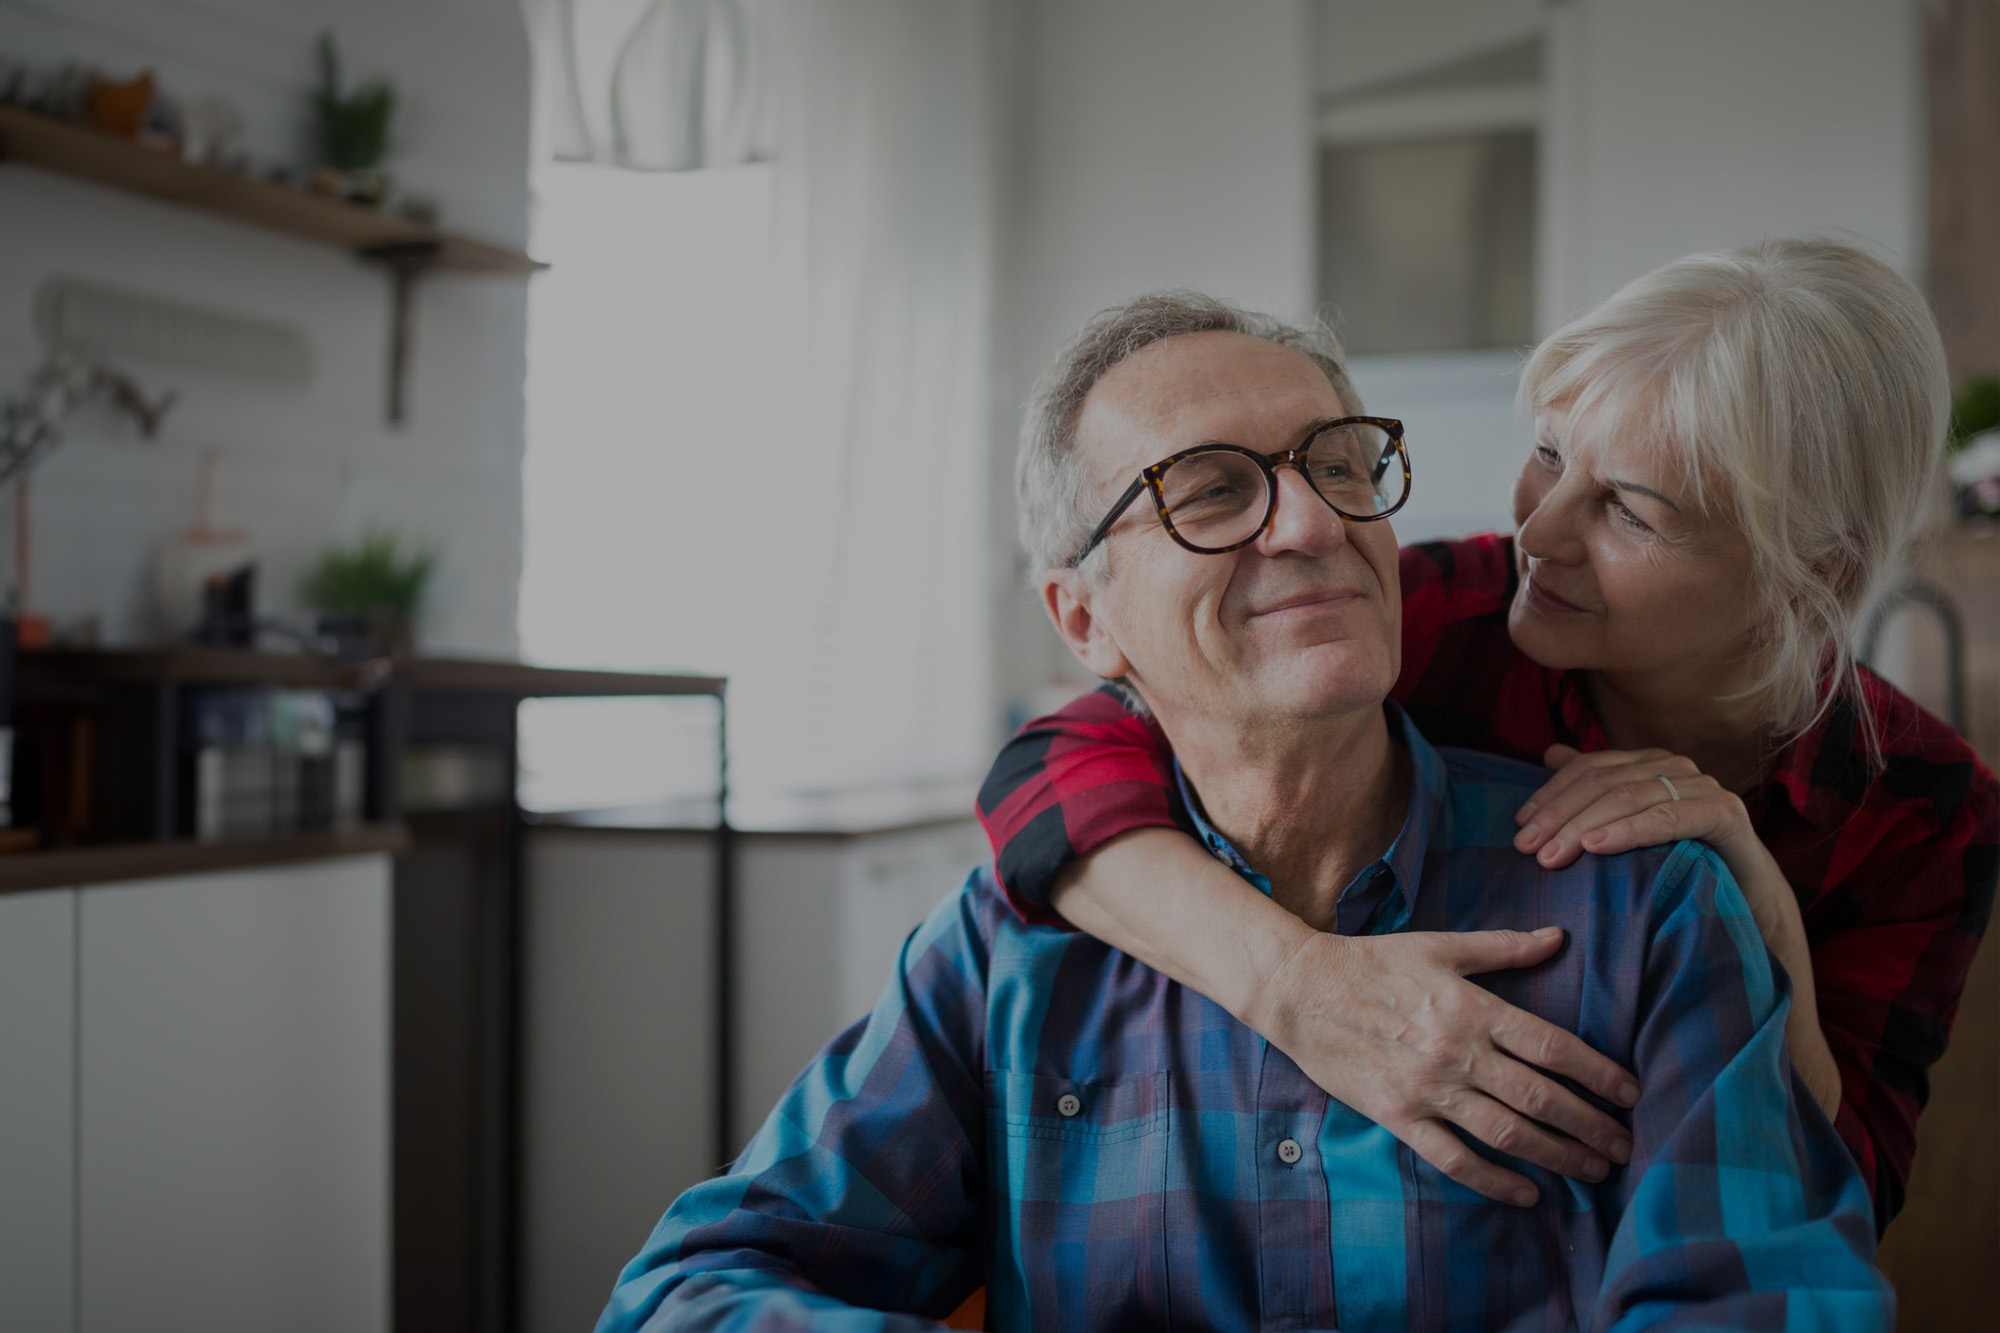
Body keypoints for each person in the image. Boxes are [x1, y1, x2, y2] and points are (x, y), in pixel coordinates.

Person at [600, 292, 1887, 1333]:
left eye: (1340, 463)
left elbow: (1773, 1293)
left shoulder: (1646, 904)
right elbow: (688, 1292)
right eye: (1210, 489)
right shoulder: (1004, 956)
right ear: (1083, 618)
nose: (1312, 521)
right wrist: (1289, 980)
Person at [976, 239, 1999, 1231]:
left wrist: (1765, 916)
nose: (1538, 533)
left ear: (1808, 574)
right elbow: (1045, 769)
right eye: (1549, 454)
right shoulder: (1442, 614)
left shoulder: (1922, 805)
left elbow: (1842, 1193)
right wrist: (1293, 984)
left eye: (1627, 511)